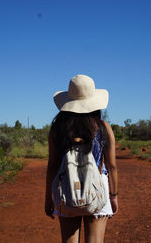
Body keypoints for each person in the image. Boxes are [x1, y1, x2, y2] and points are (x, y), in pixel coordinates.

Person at [45, 74, 118, 243]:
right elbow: (112, 166)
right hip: (98, 187)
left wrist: (48, 198)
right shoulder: (104, 128)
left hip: (67, 187)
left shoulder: (57, 129)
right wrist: (113, 196)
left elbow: (53, 166)